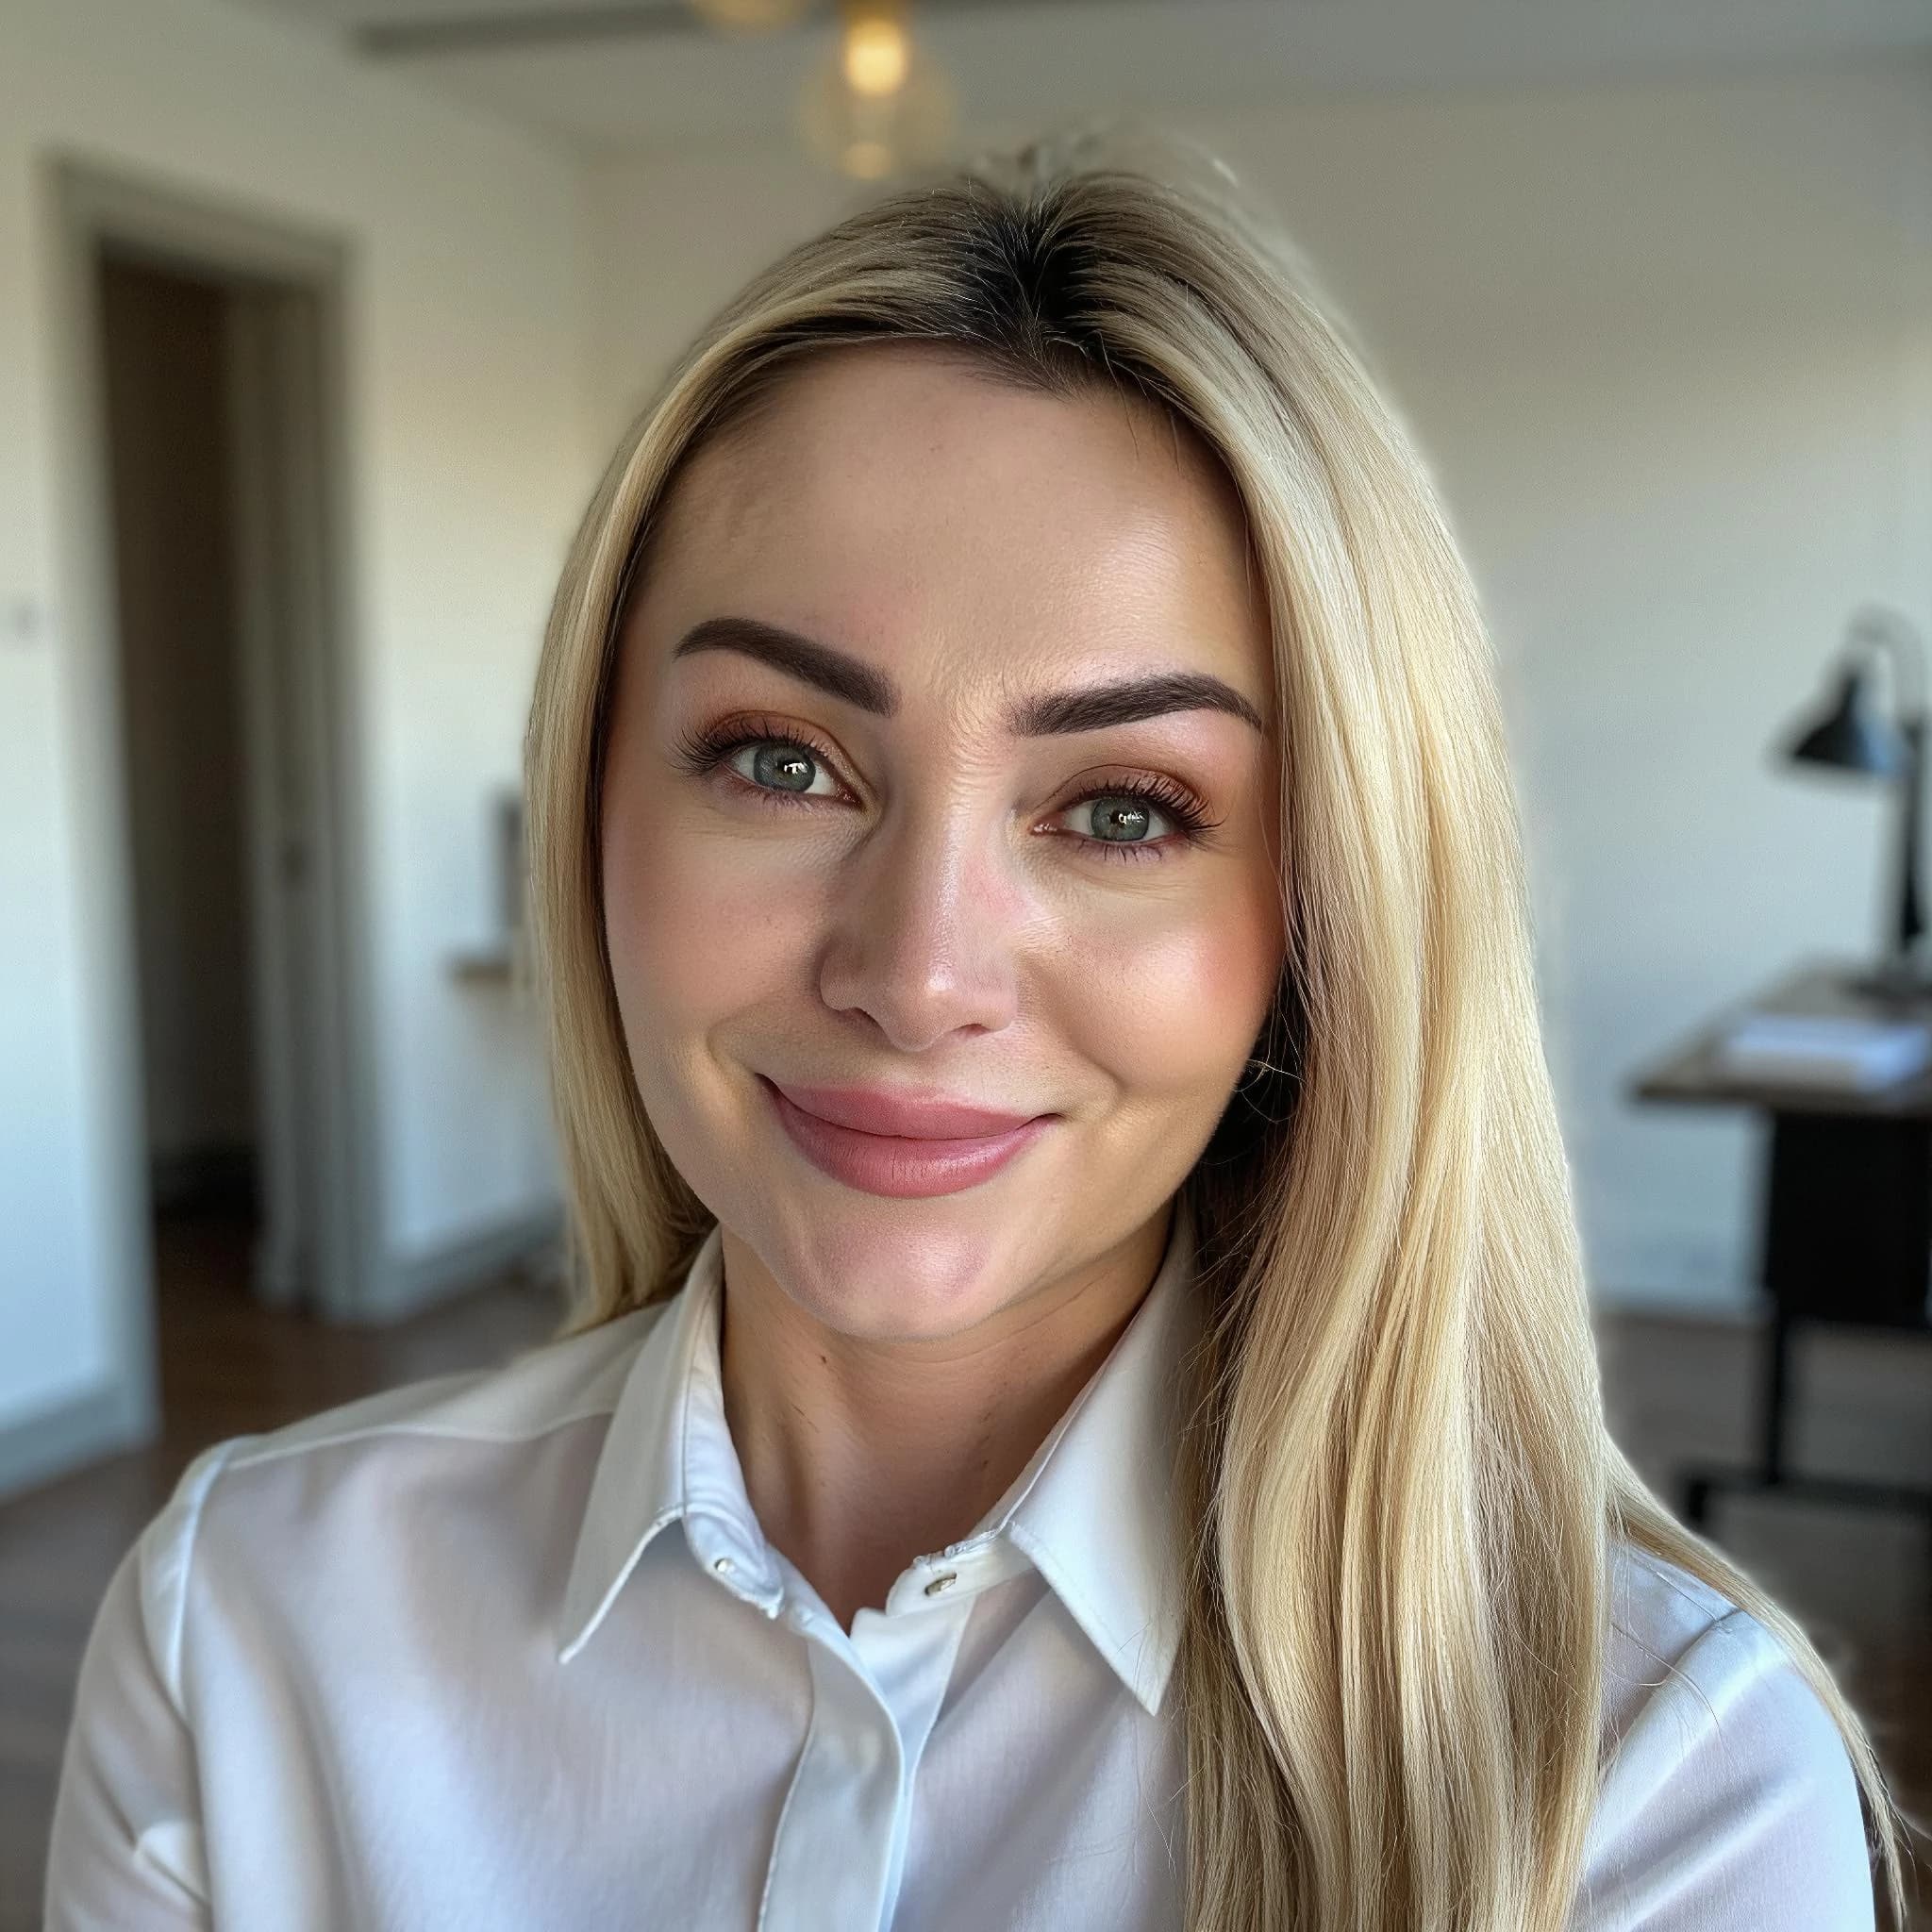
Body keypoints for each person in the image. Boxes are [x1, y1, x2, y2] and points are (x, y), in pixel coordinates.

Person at [45, 127, 1907, 1932]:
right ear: (596, 807)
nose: (917, 969)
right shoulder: (249, 1622)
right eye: (781, 760)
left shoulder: (1653, 1786)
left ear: (1330, 914)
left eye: (1121, 807)